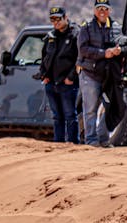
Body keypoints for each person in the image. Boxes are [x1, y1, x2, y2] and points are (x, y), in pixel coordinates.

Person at [77, 0, 123, 147]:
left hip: (109, 76)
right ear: (94, 10)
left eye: (105, 8)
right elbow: (83, 49)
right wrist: (104, 53)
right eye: (99, 8)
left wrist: (120, 50)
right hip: (90, 74)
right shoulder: (86, 27)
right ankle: (91, 140)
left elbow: (122, 43)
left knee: (109, 107)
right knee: (90, 109)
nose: (102, 11)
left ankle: (103, 139)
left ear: (109, 10)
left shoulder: (116, 27)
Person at [39, 6, 80, 143]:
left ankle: (73, 143)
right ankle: (58, 144)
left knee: (70, 116)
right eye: (52, 19)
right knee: (57, 117)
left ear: (65, 18)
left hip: (67, 83)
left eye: (58, 19)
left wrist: (71, 77)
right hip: (51, 83)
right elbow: (44, 58)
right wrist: (43, 75)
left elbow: (80, 59)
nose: (55, 22)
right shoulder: (51, 36)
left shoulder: (75, 34)